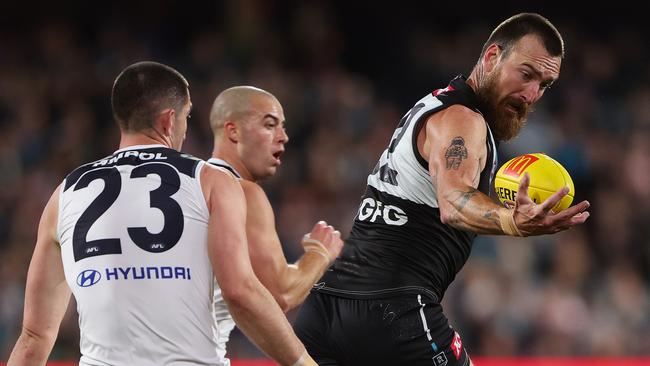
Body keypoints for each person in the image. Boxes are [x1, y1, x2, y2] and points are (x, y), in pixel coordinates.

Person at [293, 13, 591, 366]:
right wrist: (512, 221)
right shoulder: (463, 120)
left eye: (544, 84)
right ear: (492, 57)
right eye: (526, 74)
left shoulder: (437, 104)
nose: (531, 94)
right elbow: (454, 201)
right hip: (391, 308)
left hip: (325, 308)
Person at [7, 62, 318, 366]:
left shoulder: (64, 194)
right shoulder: (212, 182)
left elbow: (34, 337)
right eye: (186, 117)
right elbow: (240, 292)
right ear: (170, 121)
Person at [207, 85, 344, 363]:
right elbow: (280, 293)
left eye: (283, 126)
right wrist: (320, 253)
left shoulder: (189, 185)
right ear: (233, 131)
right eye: (270, 125)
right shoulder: (242, 191)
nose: (283, 137)